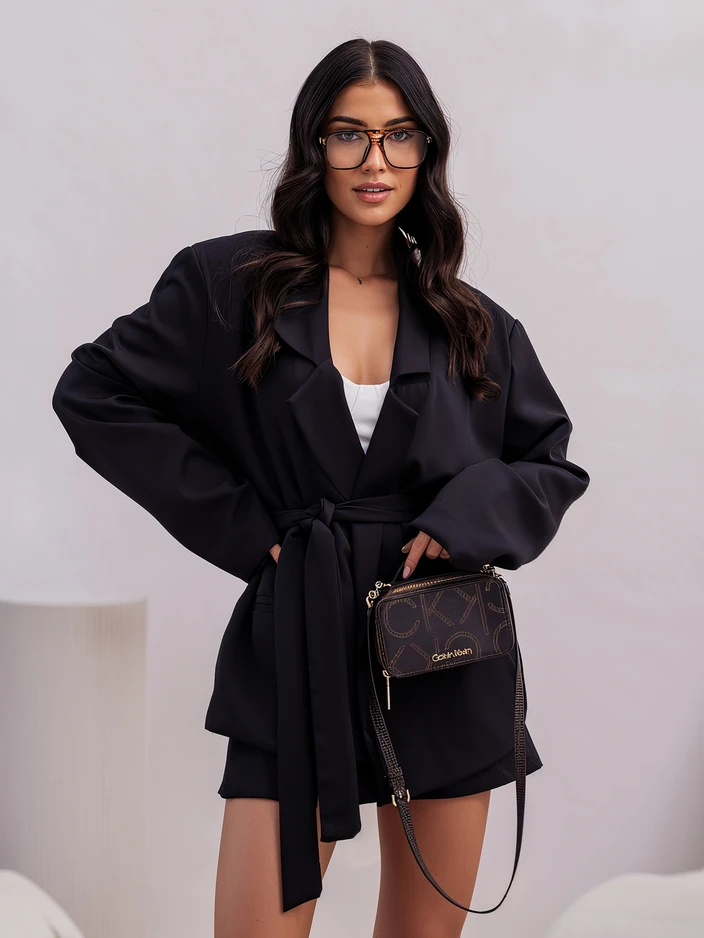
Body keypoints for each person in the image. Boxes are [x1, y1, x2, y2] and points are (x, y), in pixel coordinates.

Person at [51, 37, 590, 938]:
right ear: (314, 145)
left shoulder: (473, 323)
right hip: (300, 634)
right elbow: (93, 392)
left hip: (439, 650)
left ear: (426, 150)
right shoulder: (229, 286)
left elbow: (550, 461)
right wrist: (242, 526)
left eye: (399, 136)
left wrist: (465, 515)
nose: (376, 161)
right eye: (350, 134)